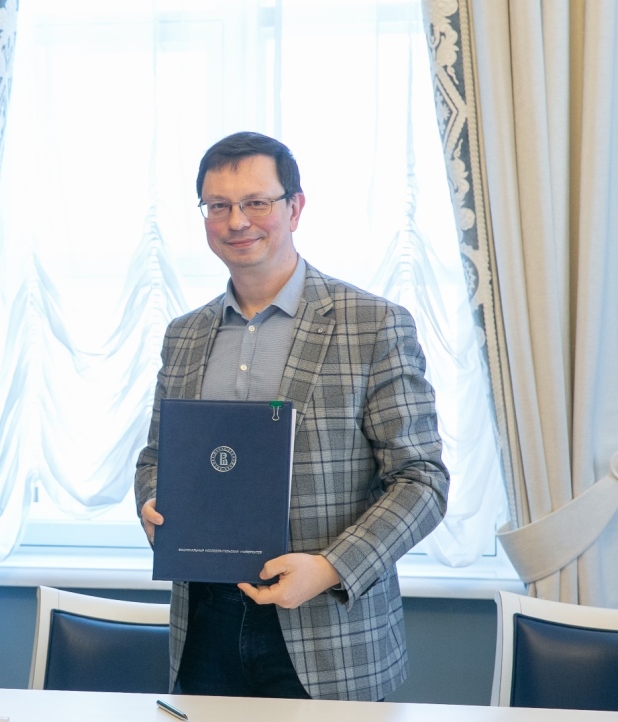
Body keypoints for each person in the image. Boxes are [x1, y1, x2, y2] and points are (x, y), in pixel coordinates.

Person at [134, 131, 449, 701]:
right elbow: (155, 458)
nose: (237, 221)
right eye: (218, 206)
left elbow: (422, 481)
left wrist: (329, 568)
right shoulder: (184, 335)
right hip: (204, 627)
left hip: (329, 634)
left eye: (256, 202)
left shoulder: (373, 325)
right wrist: (153, 504)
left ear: (295, 208)